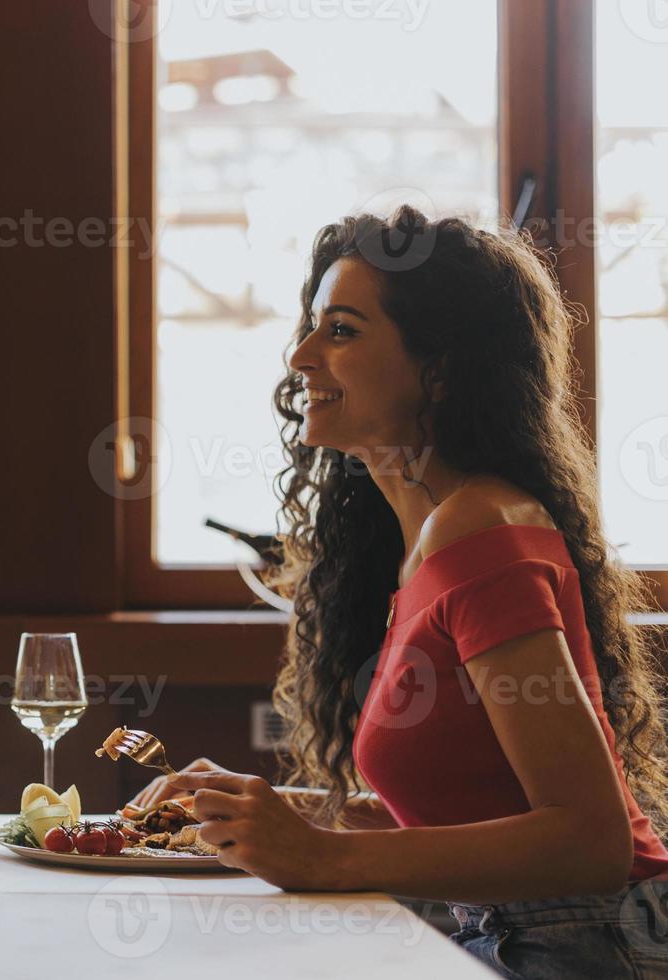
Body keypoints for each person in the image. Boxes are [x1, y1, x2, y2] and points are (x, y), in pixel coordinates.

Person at [129, 207, 668, 978]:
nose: (302, 354)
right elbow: (473, 815)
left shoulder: (481, 529)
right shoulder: (433, 539)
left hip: (590, 943)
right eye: (311, 326)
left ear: (440, 368)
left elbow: (591, 842)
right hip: (527, 933)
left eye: (341, 331)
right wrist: (277, 813)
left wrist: (320, 858)